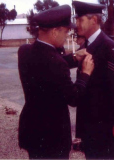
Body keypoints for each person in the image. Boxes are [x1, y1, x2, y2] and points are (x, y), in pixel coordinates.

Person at [17, 5, 94, 159]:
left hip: (33, 130)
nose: (66, 36)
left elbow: (45, 64)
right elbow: (73, 98)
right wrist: (85, 74)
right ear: (54, 32)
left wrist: (72, 58)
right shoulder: (56, 63)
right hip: (53, 136)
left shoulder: (24, 51)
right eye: (65, 32)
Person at [72, 1, 114, 159]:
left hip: (105, 124)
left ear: (94, 20)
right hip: (89, 123)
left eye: (80, 20)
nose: (77, 24)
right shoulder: (86, 46)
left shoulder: (109, 48)